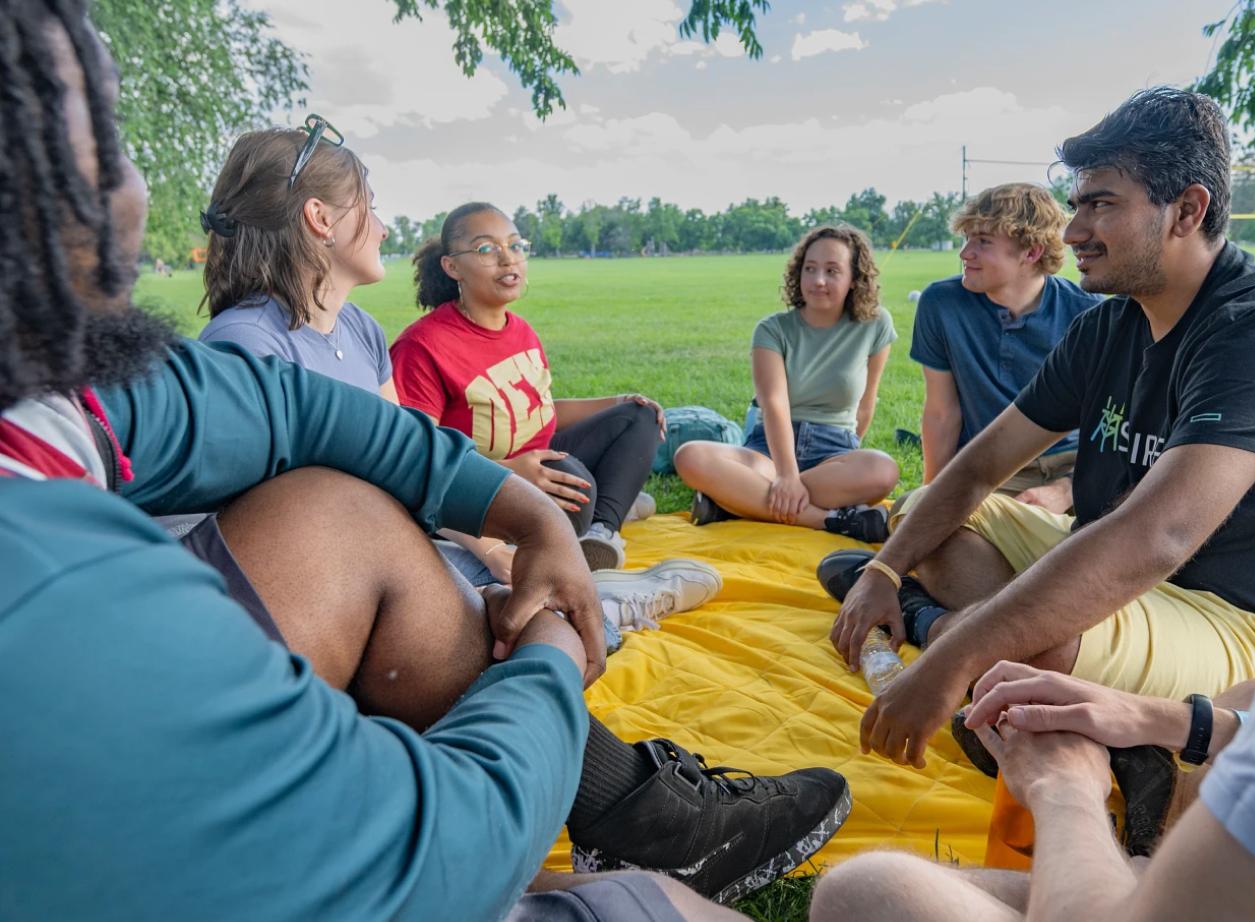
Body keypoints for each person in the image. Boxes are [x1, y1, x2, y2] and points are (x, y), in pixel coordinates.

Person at [0, 4, 848, 919]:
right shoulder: (45, 588)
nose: (136, 189)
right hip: (228, 746)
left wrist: (517, 515)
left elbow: (296, 415)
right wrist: (551, 660)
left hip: (311, 629)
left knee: (346, 511)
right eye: (104, 137)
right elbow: (434, 847)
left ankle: (626, 805)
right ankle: (636, 817)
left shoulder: (56, 410)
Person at [812, 9, 1255, 915]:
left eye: (1101, 204)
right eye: (1076, 201)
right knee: (934, 521)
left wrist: (955, 653)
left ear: (1189, 209)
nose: (1074, 227)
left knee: (1024, 629)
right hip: (1132, 584)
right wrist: (886, 566)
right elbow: (974, 467)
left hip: (1236, 621)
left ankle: (982, 657)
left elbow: (1157, 534)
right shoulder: (1109, 325)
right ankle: (951, 626)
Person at [196, 126, 721, 635]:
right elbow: (275, 538)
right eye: (371, 206)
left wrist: (492, 545)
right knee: (498, 620)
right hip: (321, 586)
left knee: (518, 566)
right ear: (319, 219)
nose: (382, 228)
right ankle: (601, 605)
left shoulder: (360, 329)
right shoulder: (246, 345)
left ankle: (570, 590)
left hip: (393, 544)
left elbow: (409, 469)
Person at [391, 203, 662, 571]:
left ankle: (601, 536)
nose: (508, 260)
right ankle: (607, 504)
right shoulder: (423, 347)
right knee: (576, 479)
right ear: (452, 266)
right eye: (487, 249)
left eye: (516, 246)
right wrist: (508, 471)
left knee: (639, 416)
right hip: (484, 491)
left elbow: (537, 410)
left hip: (539, 463)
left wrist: (617, 401)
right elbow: (416, 461)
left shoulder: (520, 330)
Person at [672, 224, 900, 542]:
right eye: (810, 269)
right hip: (769, 450)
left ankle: (738, 502)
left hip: (834, 450)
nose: (818, 280)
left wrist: (825, 471)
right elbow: (774, 404)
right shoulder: (772, 330)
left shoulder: (875, 324)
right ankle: (831, 520)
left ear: (853, 279)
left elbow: (866, 403)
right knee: (690, 456)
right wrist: (785, 474)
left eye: (832, 270)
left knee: (883, 470)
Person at [902, 183, 1103, 519]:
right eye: (967, 239)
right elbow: (941, 413)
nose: (965, 253)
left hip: (1077, 471)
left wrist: (1064, 490)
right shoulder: (941, 304)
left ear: (1032, 252)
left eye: (983, 242)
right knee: (912, 515)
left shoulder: (1088, 314)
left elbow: (1108, 423)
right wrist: (933, 501)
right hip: (990, 467)